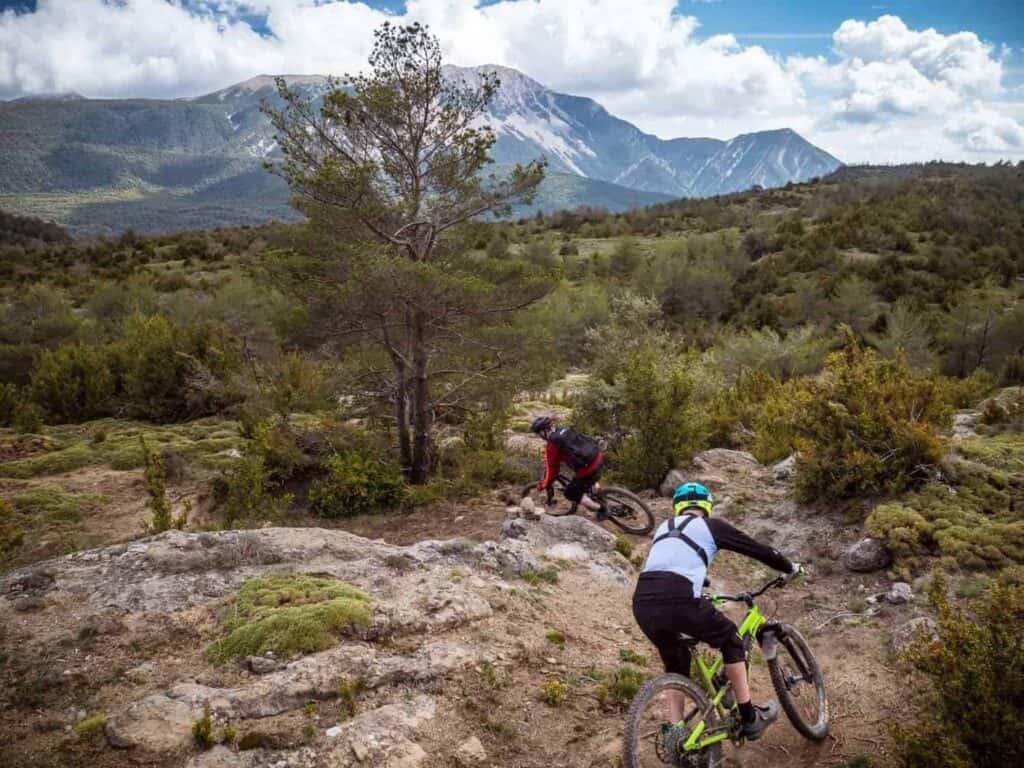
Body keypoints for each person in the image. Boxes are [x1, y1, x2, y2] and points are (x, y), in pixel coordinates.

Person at [632, 481, 801, 743]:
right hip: (679, 595)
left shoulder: (664, 528)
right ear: (706, 506)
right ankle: (749, 717)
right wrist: (789, 566)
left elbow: (669, 562)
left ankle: (676, 733)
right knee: (730, 637)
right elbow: (759, 550)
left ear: (678, 507)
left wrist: (703, 582)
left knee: (675, 665)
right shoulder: (712, 526)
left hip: (643, 601)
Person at [529, 415, 606, 516]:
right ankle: (599, 494)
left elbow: (552, 472)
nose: (540, 437)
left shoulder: (553, 444)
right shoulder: (563, 429)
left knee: (570, 494)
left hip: (588, 469)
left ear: (543, 431)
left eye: (539, 434)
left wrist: (542, 485)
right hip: (597, 457)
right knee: (587, 478)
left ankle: (602, 509)